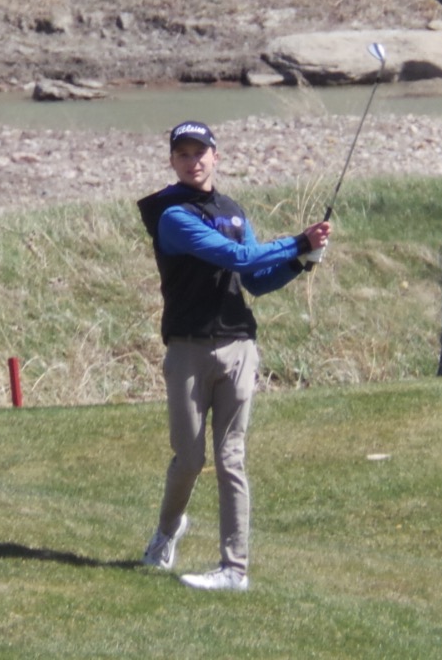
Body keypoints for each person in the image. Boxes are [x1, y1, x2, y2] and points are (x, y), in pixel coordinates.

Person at [136, 120, 332, 592]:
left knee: (231, 459)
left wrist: (298, 262)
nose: (193, 161)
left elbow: (256, 280)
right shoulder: (172, 215)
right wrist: (298, 242)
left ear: (215, 156)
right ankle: (168, 531)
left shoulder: (233, 211)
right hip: (187, 347)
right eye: (183, 154)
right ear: (173, 161)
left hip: (239, 345)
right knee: (188, 458)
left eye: (200, 152)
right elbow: (236, 258)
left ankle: (234, 569)